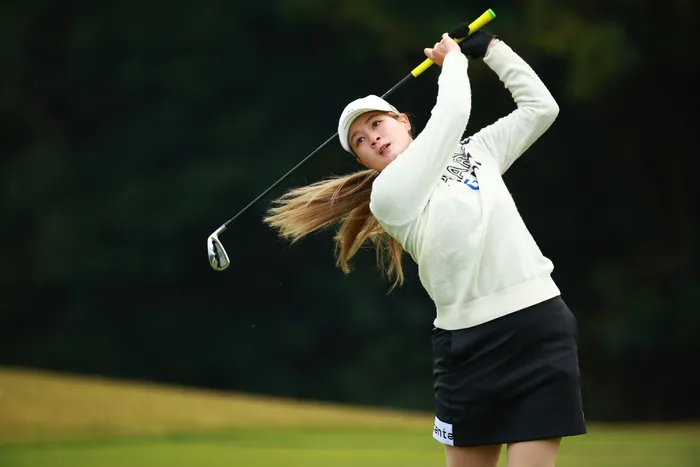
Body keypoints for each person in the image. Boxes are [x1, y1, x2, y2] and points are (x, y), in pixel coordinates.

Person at [264, 26, 586, 467]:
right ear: (362, 161)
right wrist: (452, 61)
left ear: (403, 121)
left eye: (376, 124)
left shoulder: (479, 152)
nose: (373, 138)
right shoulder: (390, 195)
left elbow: (540, 108)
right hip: (467, 347)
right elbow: (453, 111)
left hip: (537, 326)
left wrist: (493, 50)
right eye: (361, 141)